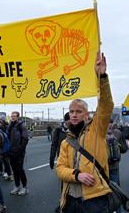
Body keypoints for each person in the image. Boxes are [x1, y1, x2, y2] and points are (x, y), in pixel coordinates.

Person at [56, 52, 114, 213]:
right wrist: (76, 175)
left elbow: (106, 106)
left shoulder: (97, 130)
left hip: (95, 199)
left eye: (79, 111)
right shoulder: (66, 141)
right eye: (72, 111)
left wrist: (102, 77)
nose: (74, 114)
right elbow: (59, 169)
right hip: (69, 199)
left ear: (86, 114)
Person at [49, 112, 71, 213]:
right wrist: (51, 158)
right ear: (66, 120)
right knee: (64, 182)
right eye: (70, 119)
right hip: (62, 159)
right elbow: (54, 144)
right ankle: (63, 204)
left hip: (75, 159)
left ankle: (70, 204)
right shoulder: (58, 131)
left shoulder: (77, 129)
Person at [106, 120, 127, 213]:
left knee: (102, 192)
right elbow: (123, 149)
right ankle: (119, 211)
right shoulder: (117, 132)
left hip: (101, 168)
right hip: (114, 166)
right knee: (116, 191)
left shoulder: (97, 134)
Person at [8, 111, 29, 196]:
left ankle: (25, 187)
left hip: (19, 152)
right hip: (11, 151)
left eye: (14, 116)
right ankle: (17, 186)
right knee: (14, 170)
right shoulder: (10, 126)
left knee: (20, 170)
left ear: (18, 117)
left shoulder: (21, 126)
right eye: (11, 116)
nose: (12, 117)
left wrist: (20, 149)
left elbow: (25, 139)